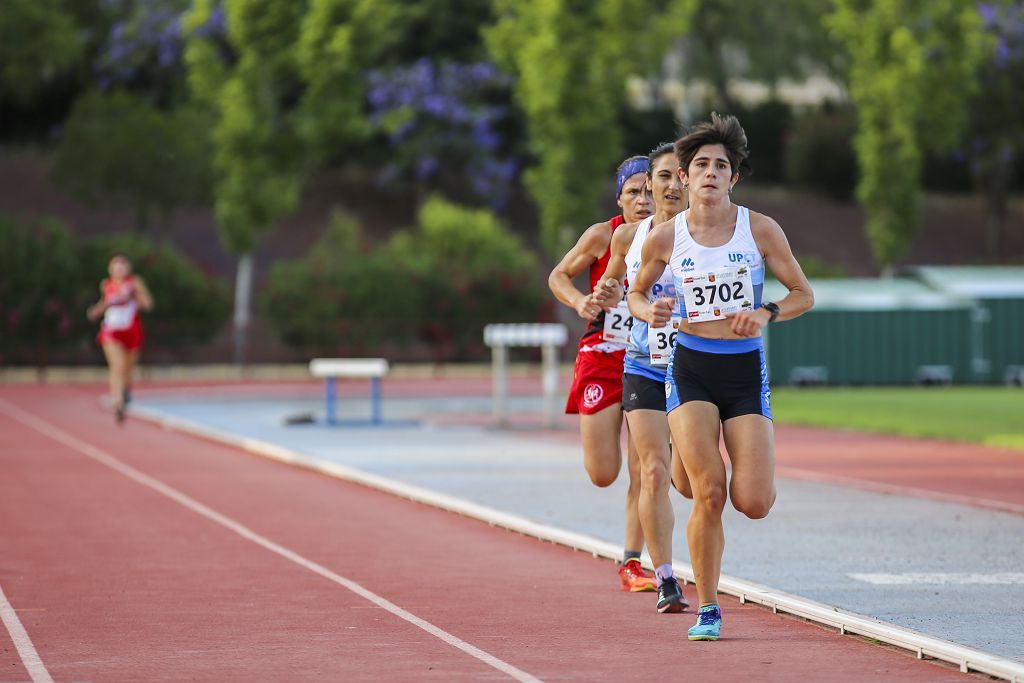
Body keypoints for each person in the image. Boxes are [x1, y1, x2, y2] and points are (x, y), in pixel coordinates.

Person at [627, 114, 813, 640]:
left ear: (735, 178)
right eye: (701, 165)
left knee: (751, 501)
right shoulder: (665, 237)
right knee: (710, 492)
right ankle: (708, 609)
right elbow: (637, 293)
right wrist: (649, 313)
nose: (711, 172)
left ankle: (698, 470)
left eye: (721, 166)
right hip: (690, 367)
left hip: (744, 369)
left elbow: (804, 293)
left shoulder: (759, 229)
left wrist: (767, 313)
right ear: (683, 178)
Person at [548, 155, 657, 592]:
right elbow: (558, 274)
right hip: (602, 357)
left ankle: (632, 563)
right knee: (603, 473)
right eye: (634, 192)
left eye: (650, 190)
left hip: (649, 360)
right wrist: (580, 303)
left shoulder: (675, 236)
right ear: (619, 198)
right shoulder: (602, 235)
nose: (643, 199)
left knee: (646, 467)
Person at [593, 142, 692, 614]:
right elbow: (613, 283)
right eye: (663, 177)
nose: (672, 186)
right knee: (650, 471)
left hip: (697, 366)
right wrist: (606, 293)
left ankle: (686, 473)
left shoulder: (712, 235)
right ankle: (666, 578)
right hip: (643, 363)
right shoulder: (625, 239)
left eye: (680, 176)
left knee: (690, 481)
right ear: (650, 185)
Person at [87, 254, 154, 423]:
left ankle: (125, 389)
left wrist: (134, 296)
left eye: (122, 265)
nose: (119, 269)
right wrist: (95, 311)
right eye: (115, 266)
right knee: (116, 365)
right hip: (112, 330)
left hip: (131, 330)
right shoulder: (106, 284)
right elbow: (104, 303)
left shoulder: (134, 283)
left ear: (127, 268)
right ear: (110, 269)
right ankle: (117, 402)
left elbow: (148, 304)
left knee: (127, 367)